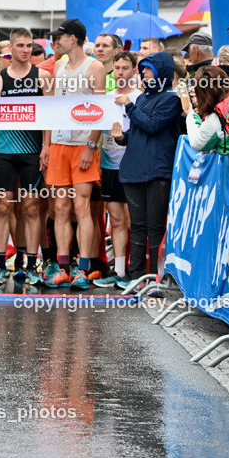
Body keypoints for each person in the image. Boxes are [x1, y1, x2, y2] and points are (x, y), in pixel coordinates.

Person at [43, 18, 105, 290]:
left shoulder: (95, 67)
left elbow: (101, 111)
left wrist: (91, 147)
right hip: (58, 144)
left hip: (82, 146)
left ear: (75, 38)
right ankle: (63, 267)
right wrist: (46, 145)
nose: (57, 41)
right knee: (59, 208)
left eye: (61, 36)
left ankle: (83, 268)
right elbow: (53, 108)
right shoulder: (58, 65)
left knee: (82, 207)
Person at [0, 27, 51, 291]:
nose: (25, 50)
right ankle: (1, 264)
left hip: (32, 151)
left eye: (29, 46)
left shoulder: (43, 76)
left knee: (31, 208)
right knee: (2, 207)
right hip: (3, 150)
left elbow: (49, 113)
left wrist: (46, 146)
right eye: (20, 46)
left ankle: (31, 264)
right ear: (10, 49)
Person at [113, 51, 183, 283]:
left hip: (158, 172)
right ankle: (136, 277)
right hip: (134, 170)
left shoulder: (171, 100)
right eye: (142, 69)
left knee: (155, 227)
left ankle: (156, 278)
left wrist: (130, 107)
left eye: (148, 69)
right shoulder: (142, 98)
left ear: (161, 72)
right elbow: (138, 132)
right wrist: (121, 138)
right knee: (138, 227)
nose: (143, 73)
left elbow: (153, 126)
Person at [97, 52, 139, 287]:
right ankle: (119, 271)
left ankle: (135, 271)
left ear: (134, 70)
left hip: (133, 165)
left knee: (133, 221)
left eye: (125, 68)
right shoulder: (106, 99)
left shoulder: (139, 98)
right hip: (109, 164)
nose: (121, 72)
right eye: (117, 68)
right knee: (115, 219)